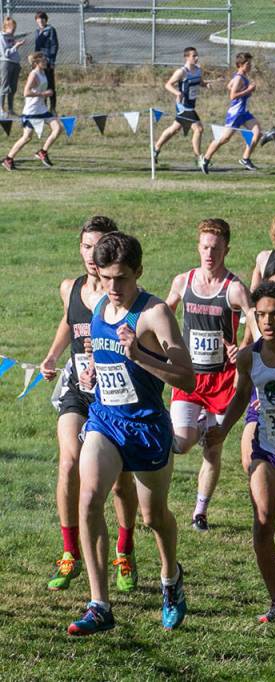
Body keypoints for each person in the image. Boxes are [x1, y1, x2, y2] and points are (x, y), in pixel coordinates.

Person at [67, 232, 195, 635]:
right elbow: (101, 355)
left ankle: (171, 578)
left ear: (138, 272)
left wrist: (140, 355)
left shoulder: (154, 313)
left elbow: (187, 378)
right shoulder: (102, 304)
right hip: (106, 419)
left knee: (153, 517)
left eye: (121, 278)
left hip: (146, 427)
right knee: (88, 498)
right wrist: (91, 370)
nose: (113, 288)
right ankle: (99, 604)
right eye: (106, 278)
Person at [39, 217, 139, 593]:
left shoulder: (120, 294)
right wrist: (51, 356)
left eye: (98, 247)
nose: (91, 256)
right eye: (85, 247)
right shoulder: (71, 287)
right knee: (68, 463)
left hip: (112, 394)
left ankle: (125, 551)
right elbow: (70, 322)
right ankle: (70, 553)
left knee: (118, 484)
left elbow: (135, 339)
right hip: (77, 389)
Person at [204, 282, 275, 623]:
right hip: (266, 449)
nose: (267, 321)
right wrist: (223, 428)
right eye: (261, 315)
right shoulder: (250, 355)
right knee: (263, 520)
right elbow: (241, 395)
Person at [165, 219, 251, 531]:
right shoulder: (183, 282)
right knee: (182, 443)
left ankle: (199, 512)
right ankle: (192, 426)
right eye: (204, 247)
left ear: (227, 249)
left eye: (216, 248)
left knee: (213, 448)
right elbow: (163, 314)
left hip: (222, 381)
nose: (209, 253)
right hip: (189, 376)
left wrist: (241, 348)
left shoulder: (235, 289)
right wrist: (168, 347)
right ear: (197, 247)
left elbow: (255, 322)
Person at [201, 52, 266, 174]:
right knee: (224, 139)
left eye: (250, 63)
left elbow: (228, 86)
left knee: (257, 132)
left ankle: (245, 158)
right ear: (240, 65)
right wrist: (248, 90)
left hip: (244, 113)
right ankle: (205, 159)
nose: (250, 65)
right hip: (236, 113)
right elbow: (232, 95)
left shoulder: (242, 76)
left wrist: (245, 90)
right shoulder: (238, 78)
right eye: (248, 64)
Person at [2, 52, 60, 171]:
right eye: (43, 60)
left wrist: (47, 94)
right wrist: (43, 94)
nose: (46, 62)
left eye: (45, 60)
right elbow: (26, 93)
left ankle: (42, 152)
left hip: (42, 109)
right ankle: (8, 159)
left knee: (58, 128)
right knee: (27, 137)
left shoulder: (43, 72)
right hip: (31, 111)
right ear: (36, 62)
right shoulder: (33, 74)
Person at [153, 47, 210, 164]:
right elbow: (168, 85)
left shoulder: (198, 70)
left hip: (191, 105)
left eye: (197, 55)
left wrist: (206, 85)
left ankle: (156, 147)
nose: (196, 58)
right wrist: (177, 92)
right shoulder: (182, 72)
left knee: (175, 129)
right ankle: (199, 158)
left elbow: (199, 82)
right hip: (183, 106)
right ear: (187, 57)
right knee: (198, 129)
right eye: (193, 56)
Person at [33, 12, 57, 112]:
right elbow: (36, 48)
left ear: (46, 20)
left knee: (50, 84)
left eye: (42, 19)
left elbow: (54, 45)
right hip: (38, 62)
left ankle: (52, 108)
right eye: (38, 19)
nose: (40, 21)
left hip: (47, 61)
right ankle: (43, 107)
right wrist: (34, 61)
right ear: (36, 21)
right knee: (41, 84)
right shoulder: (37, 31)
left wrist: (51, 61)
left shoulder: (51, 30)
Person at [0, 17, 23, 117]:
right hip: (6, 63)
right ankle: (1, 109)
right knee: (5, 87)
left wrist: (16, 45)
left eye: (14, 27)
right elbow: (6, 53)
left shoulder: (11, 37)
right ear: (6, 27)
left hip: (15, 63)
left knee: (13, 88)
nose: (14, 30)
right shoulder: (2, 37)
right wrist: (16, 46)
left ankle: (10, 109)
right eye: (12, 27)